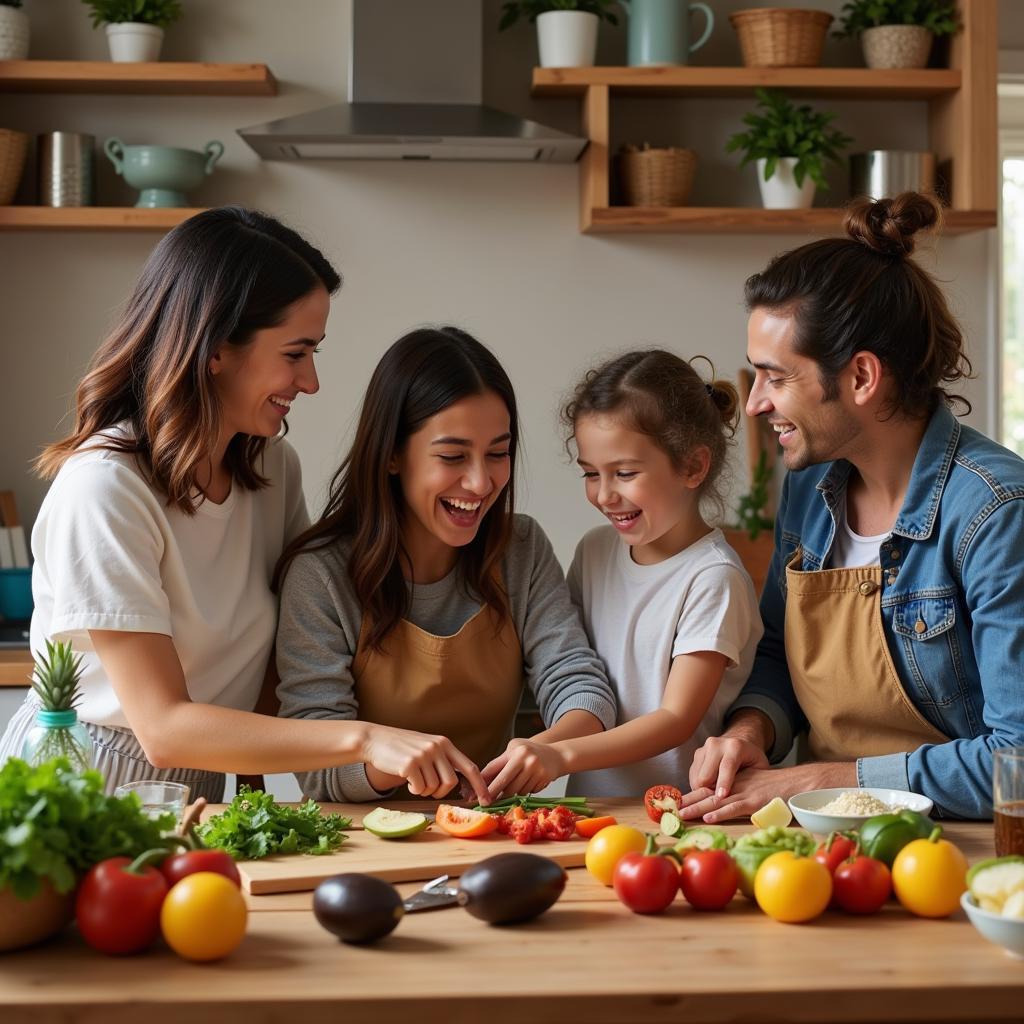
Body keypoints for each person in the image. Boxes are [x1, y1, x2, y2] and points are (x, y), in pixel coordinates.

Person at [0, 208, 490, 804]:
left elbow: (286, 641)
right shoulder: (105, 489)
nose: (310, 382)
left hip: (202, 785)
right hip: (85, 782)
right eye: (295, 353)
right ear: (214, 350)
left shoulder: (272, 472)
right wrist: (364, 740)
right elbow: (163, 728)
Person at [681, 192, 1024, 823]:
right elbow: (779, 650)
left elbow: (1019, 760)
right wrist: (752, 730)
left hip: (955, 847)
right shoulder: (811, 488)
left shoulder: (997, 513)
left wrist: (818, 780)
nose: (755, 403)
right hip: (822, 830)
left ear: (862, 377)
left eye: (776, 377)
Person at [274, 326, 618, 802]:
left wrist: (548, 751)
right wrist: (396, 765)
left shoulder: (521, 548)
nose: (480, 482)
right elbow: (315, 762)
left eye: (498, 453)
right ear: (393, 454)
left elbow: (579, 684)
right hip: (360, 838)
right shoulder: (321, 574)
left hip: (489, 826)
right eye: (453, 456)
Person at [481, 350, 763, 797]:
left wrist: (562, 755)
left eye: (625, 473)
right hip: (590, 814)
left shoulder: (713, 577)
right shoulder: (594, 552)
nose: (605, 494)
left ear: (693, 466)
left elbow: (675, 720)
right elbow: (568, 668)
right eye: (591, 474)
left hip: (675, 814)